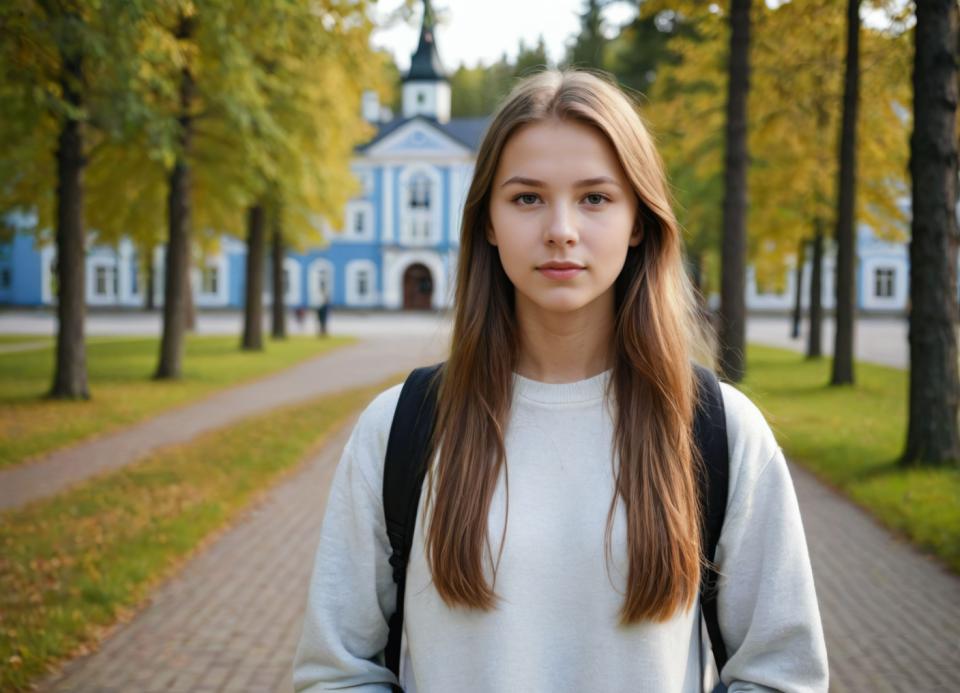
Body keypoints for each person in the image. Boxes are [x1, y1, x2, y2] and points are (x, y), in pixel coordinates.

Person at [293, 70, 828, 692]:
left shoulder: (720, 430)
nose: (561, 230)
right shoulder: (401, 428)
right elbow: (338, 672)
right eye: (527, 198)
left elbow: (780, 675)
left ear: (638, 221)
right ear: (487, 222)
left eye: (595, 197)